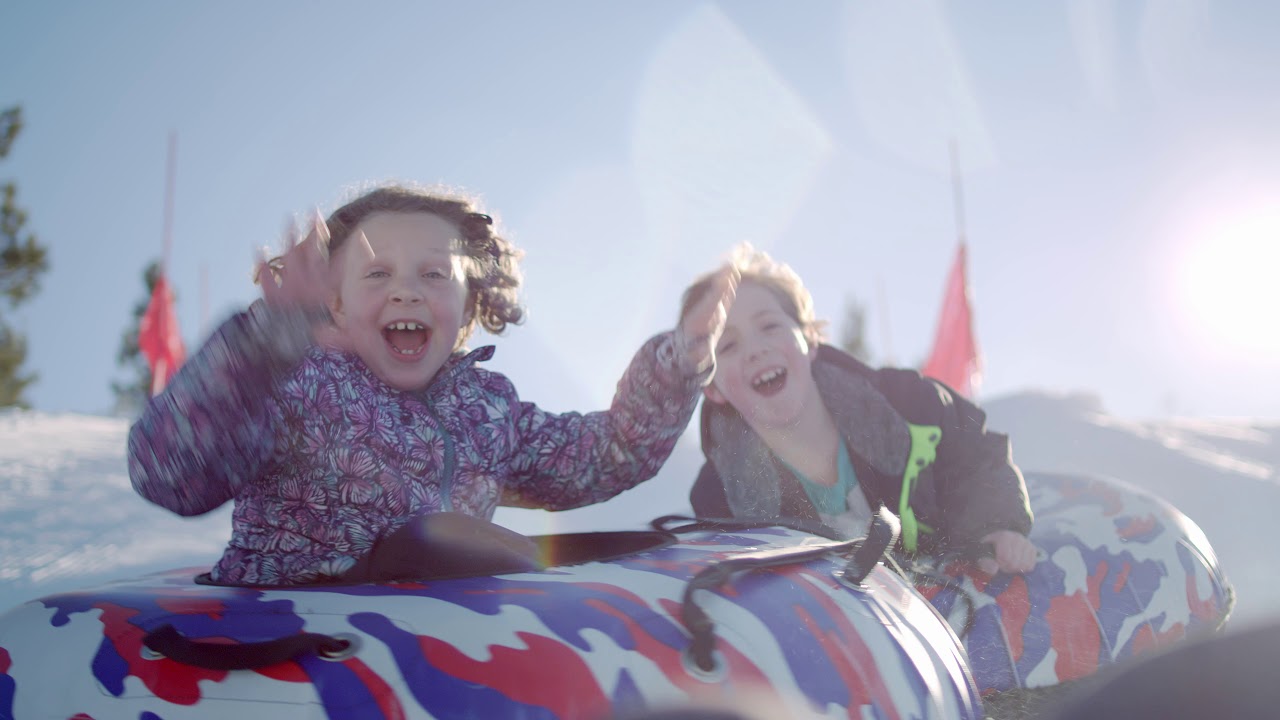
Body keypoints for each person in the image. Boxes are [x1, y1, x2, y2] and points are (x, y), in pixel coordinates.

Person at [129, 183, 736, 586]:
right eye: (377, 273)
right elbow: (170, 473)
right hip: (295, 641)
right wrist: (261, 347)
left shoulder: (488, 413)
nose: (406, 290)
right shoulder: (299, 382)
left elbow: (606, 455)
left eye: (434, 273)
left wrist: (678, 363)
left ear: (468, 306)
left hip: (431, 651)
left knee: (463, 546)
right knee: (435, 541)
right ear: (335, 305)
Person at [682, 245, 1034, 575]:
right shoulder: (720, 499)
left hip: (948, 592)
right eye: (727, 345)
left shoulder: (909, 403)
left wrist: (994, 525)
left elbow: (977, 454)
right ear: (712, 387)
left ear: (809, 340)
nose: (755, 349)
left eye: (770, 326)